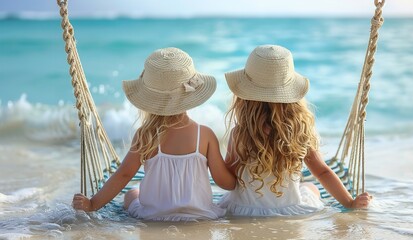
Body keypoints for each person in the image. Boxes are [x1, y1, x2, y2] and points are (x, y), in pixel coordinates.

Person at [72, 47, 236, 221]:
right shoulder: (205, 135)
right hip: (199, 215)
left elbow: (124, 174)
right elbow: (224, 182)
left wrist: (92, 204)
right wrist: (238, 169)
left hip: (154, 216)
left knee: (132, 194)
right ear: (191, 95)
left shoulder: (146, 135)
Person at [219, 45, 372, 216]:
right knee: (311, 187)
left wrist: (210, 160)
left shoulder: (240, 134)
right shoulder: (299, 132)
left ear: (244, 98)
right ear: (291, 97)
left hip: (245, 211)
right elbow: (322, 171)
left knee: (305, 186)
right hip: (290, 210)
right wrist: (350, 202)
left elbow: (229, 181)